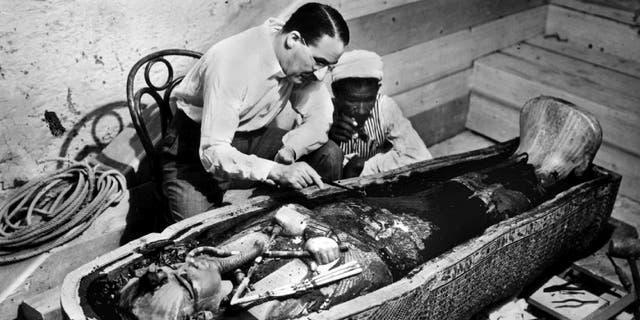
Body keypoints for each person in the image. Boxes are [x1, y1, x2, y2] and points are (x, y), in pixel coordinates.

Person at [160, 3, 349, 222]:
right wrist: (275, 171)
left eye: (329, 66)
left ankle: (317, 228)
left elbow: (320, 117)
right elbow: (213, 151)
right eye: (319, 62)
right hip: (195, 151)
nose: (321, 74)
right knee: (202, 236)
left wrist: (292, 149)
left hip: (250, 139)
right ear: (293, 39)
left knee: (329, 154)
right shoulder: (232, 62)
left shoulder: (297, 57)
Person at [328, 50, 432, 178]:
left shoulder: (385, 107)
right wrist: (328, 140)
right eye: (352, 100)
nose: (362, 110)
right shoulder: (323, 111)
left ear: (378, 89)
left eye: (368, 100)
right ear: (336, 92)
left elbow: (420, 157)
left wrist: (365, 167)